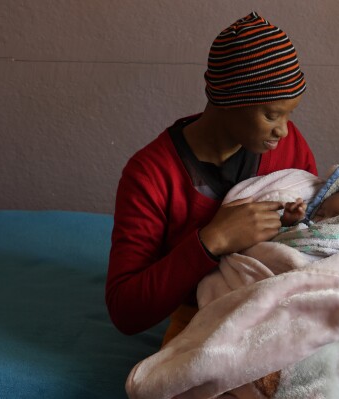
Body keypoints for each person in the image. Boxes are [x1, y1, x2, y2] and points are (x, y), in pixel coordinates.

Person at [106, 12, 318, 335]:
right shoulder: (150, 177)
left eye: (290, 114)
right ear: (228, 101)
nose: (284, 132)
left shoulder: (288, 150)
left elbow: (316, 231)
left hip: (284, 311)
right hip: (204, 321)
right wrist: (212, 241)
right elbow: (125, 309)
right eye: (272, 115)